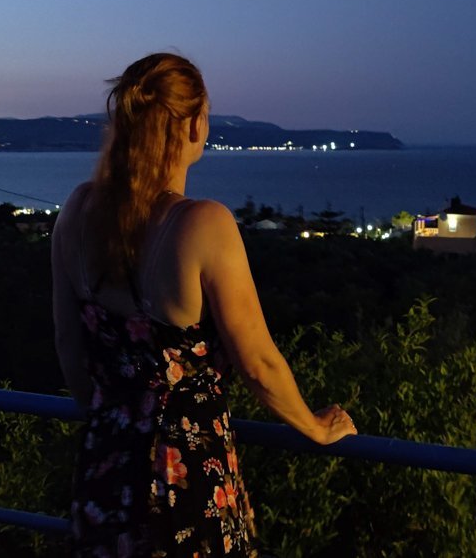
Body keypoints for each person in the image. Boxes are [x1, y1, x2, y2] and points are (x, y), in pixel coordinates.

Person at [51, 53, 357, 557]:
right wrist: (315, 426)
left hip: (104, 465)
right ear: (195, 124)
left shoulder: (77, 211)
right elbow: (257, 363)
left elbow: (68, 342)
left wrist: (111, 421)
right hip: (185, 480)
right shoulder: (203, 224)